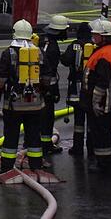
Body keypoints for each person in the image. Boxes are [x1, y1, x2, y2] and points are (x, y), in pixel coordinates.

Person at [0, 19, 48, 182]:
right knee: (34, 136)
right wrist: (44, 94)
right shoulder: (39, 52)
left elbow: (0, 80)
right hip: (36, 105)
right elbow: (47, 77)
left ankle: (7, 168)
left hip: (13, 105)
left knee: (10, 136)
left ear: (14, 33)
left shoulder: (8, 53)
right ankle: (36, 166)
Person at [82, 18, 111, 172]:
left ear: (104, 36)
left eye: (96, 35)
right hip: (105, 102)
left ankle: (104, 164)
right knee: (102, 131)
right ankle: (105, 160)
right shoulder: (107, 51)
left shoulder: (105, 54)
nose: (94, 37)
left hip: (103, 103)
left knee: (101, 132)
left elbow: (102, 82)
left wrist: (96, 102)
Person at [60, 22, 94, 158]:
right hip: (90, 89)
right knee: (91, 121)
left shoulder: (74, 45)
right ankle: (92, 150)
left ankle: (78, 148)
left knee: (79, 122)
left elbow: (65, 61)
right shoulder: (94, 46)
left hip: (76, 89)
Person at [39, 15, 68, 162]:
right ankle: (46, 145)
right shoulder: (53, 48)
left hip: (37, 86)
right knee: (47, 117)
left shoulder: (42, 40)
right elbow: (50, 72)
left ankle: (36, 142)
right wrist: (54, 91)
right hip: (47, 89)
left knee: (38, 116)